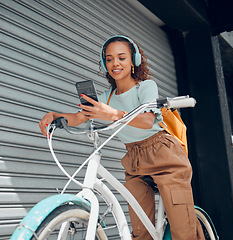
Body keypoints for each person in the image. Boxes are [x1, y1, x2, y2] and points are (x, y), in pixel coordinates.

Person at [39, 35, 203, 240]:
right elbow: (79, 117)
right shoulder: (105, 98)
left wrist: (113, 114)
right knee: (141, 232)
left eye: (121, 57)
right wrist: (55, 116)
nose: (115, 63)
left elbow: (147, 120)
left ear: (133, 61)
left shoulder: (145, 87)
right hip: (134, 160)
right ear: (104, 63)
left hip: (165, 155)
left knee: (183, 231)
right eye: (109, 59)